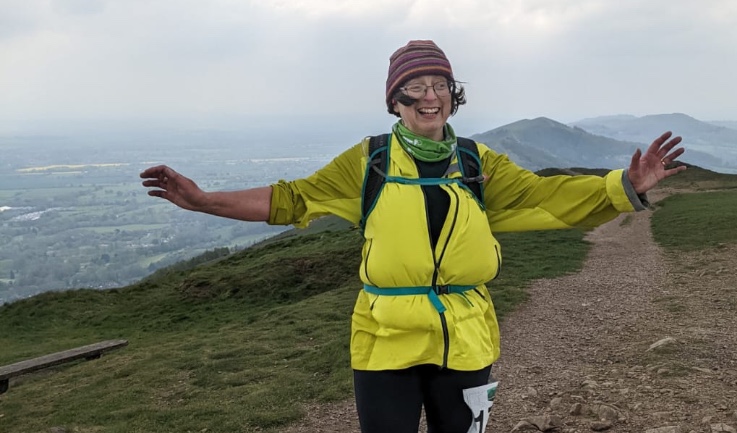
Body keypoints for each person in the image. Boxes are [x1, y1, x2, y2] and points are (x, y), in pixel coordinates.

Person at [139, 40, 687, 433]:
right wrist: (206, 201)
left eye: (440, 86)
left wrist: (624, 186)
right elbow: (295, 199)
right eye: (413, 89)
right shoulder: (369, 159)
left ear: (454, 95)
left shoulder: (476, 160)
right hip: (385, 335)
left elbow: (545, 198)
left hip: (466, 331)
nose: (429, 97)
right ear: (394, 102)